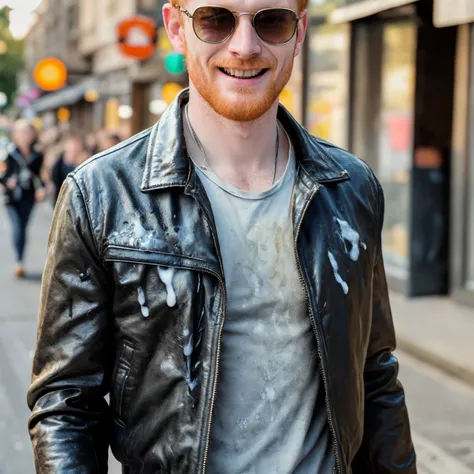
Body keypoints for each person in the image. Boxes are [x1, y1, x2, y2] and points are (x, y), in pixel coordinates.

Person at [27, 0, 417, 473]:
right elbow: (66, 406)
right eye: (217, 19)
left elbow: (374, 377)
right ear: (176, 27)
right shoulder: (101, 195)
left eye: (272, 21)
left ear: (301, 30)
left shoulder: (351, 189)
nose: (245, 46)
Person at [0, 119, 45, 278]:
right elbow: (2, 174)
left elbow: (38, 176)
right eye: (22, 132)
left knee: (23, 228)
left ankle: (20, 258)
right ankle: (19, 262)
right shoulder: (9, 153)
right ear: (16, 135)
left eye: (28, 132)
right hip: (12, 198)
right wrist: (8, 181)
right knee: (17, 227)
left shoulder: (37, 154)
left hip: (28, 196)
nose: (25, 135)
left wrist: (41, 188)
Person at [50, 134, 88, 205]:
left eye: (75, 148)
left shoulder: (84, 162)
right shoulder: (59, 162)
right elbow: (53, 179)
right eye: (71, 148)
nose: (73, 150)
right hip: (61, 200)